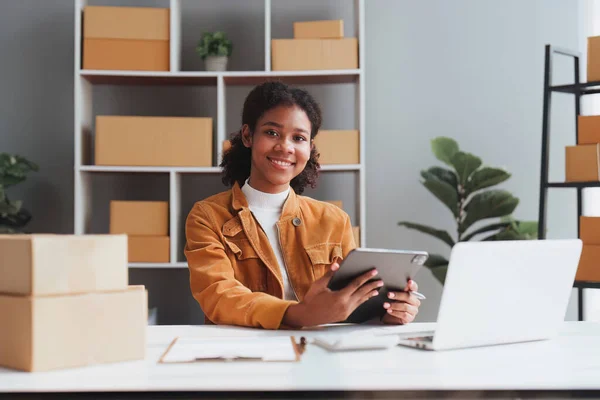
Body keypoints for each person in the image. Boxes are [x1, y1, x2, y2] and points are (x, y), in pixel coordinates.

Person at [184, 81, 420, 329]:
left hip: (318, 353)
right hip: (244, 355)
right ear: (247, 135)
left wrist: (387, 311)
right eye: (272, 132)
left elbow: (350, 301)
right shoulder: (207, 216)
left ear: (309, 148)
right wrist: (301, 314)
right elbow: (219, 296)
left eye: (298, 138)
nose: (285, 147)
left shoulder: (334, 220)